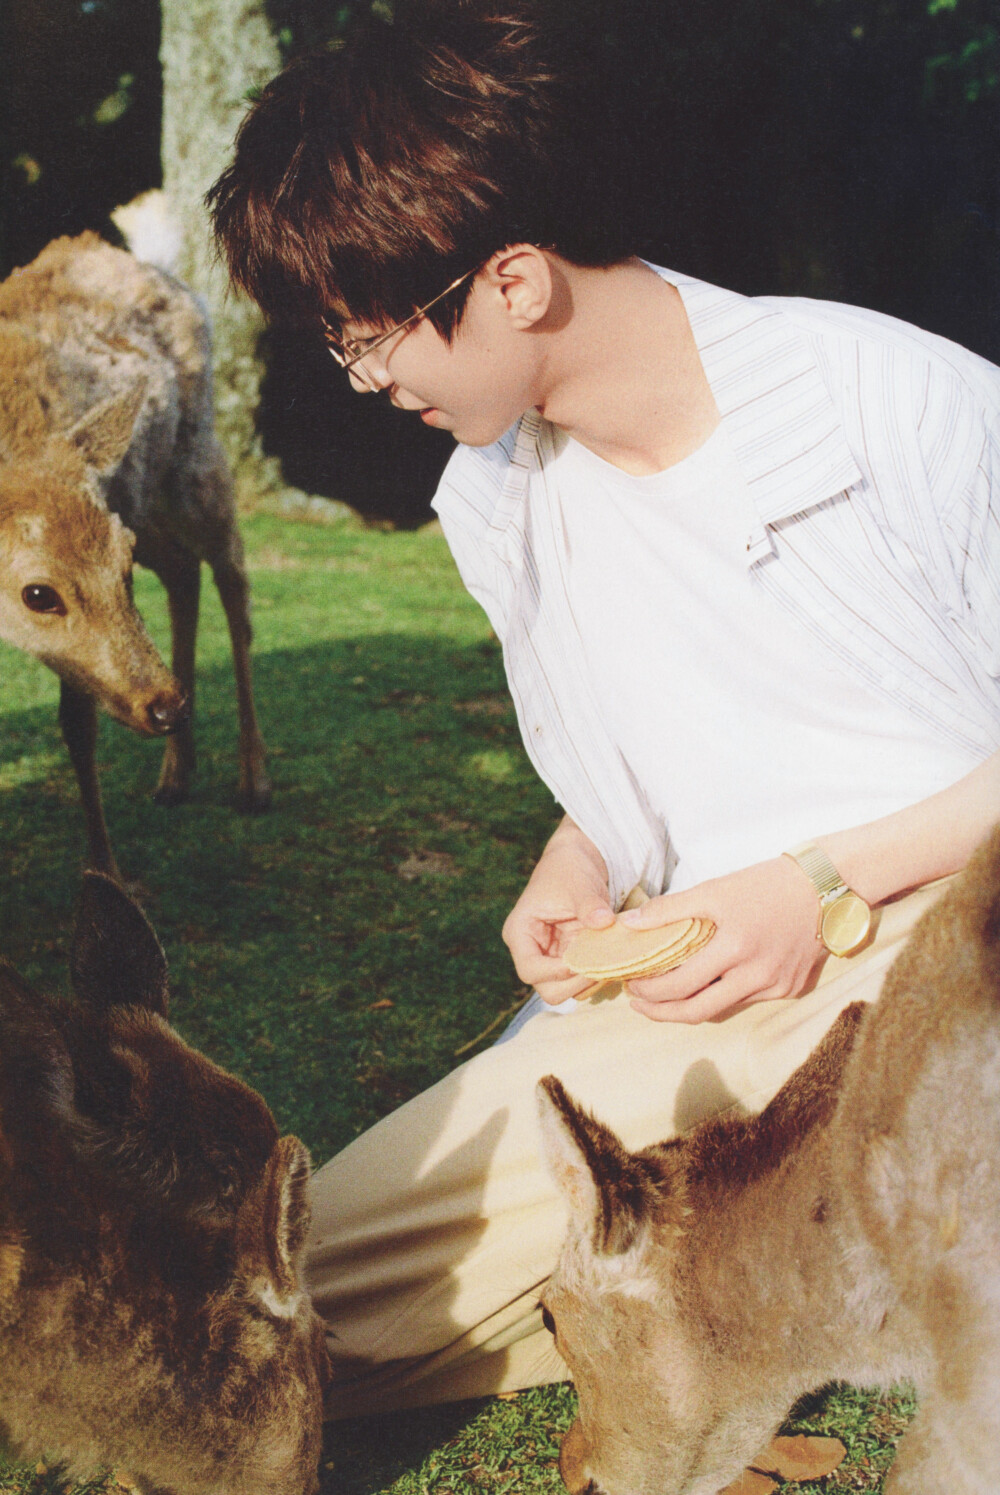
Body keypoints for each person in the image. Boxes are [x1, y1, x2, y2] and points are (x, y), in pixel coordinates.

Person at [209, 2, 1000, 1416]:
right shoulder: (501, 495)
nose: (370, 377)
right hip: (695, 998)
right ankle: (781, 1277)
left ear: (512, 282)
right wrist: (571, 866)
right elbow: (638, 752)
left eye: (369, 334)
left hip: (953, 961)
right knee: (288, 1298)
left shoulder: (897, 402)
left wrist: (818, 883)